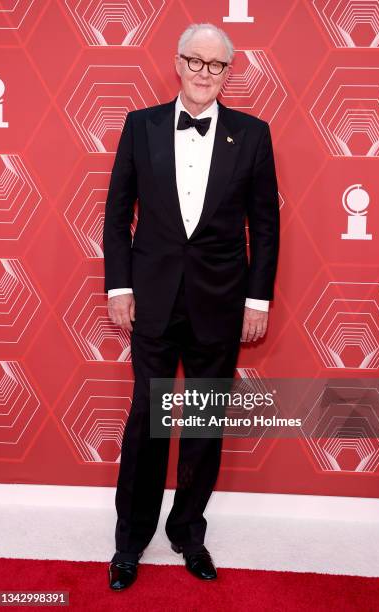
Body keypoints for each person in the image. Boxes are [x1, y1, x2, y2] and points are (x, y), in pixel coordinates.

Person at [103, 22, 280, 590]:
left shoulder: (253, 135)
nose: (205, 74)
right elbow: (116, 215)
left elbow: (265, 227)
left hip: (221, 303)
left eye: (217, 65)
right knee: (147, 425)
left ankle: (189, 534)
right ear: (177, 64)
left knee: (203, 425)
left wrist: (257, 299)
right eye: (195, 62)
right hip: (151, 299)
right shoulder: (140, 126)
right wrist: (119, 287)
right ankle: (130, 542)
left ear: (229, 73)